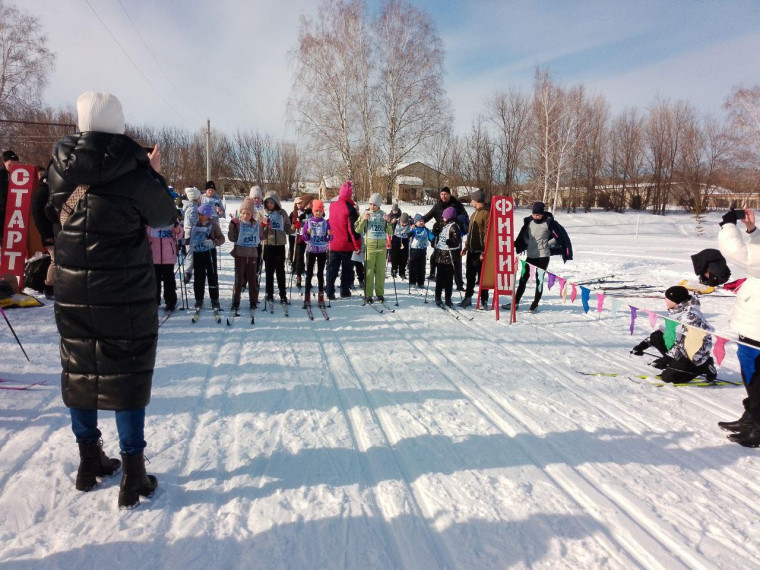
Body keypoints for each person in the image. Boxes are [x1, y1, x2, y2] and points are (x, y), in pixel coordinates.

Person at [47, 91, 177, 509]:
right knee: (128, 375)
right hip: (125, 293)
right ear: (118, 124)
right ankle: (133, 475)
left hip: (72, 288)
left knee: (79, 369)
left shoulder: (58, 168)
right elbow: (164, 216)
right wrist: (154, 174)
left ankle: (89, 463)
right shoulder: (135, 171)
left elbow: (42, 213)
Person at [716, 208, 760, 446]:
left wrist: (728, 224)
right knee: (751, 373)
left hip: (757, 326)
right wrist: (752, 231)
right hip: (753, 322)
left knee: (756, 376)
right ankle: (752, 416)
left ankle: (758, 424)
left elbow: (740, 255)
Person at [630, 286, 717, 383]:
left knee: (668, 378)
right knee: (657, 337)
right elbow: (664, 332)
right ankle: (676, 364)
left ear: (675, 301)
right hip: (682, 349)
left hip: (695, 354)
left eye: (667, 298)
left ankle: (704, 366)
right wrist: (642, 346)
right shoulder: (676, 311)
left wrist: (666, 359)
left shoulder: (690, 317)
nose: (665, 300)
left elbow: (686, 344)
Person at [509, 201, 573, 313]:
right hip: (531, 255)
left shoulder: (549, 223)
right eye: (534, 214)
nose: (536, 217)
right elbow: (524, 236)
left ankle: (535, 304)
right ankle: (516, 302)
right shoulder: (529, 222)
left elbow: (559, 237)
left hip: (543, 256)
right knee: (523, 279)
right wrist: (519, 244)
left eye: (538, 215)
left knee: (539, 280)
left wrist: (547, 244)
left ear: (542, 213)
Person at [422, 186, 467, 288]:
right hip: (441, 235)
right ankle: (433, 275)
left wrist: (454, 220)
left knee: (456, 260)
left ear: (449, 194)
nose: (444, 196)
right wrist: (416, 221)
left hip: (453, 235)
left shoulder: (456, 205)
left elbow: (464, 216)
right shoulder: (438, 206)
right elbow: (428, 216)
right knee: (436, 257)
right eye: (442, 194)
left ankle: (459, 282)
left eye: (445, 194)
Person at [326, 180, 362, 300]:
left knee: (332, 269)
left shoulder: (332, 206)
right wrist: (357, 245)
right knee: (347, 269)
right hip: (346, 245)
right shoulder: (350, 209)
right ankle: (344, 290)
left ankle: (330, 291)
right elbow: (352, 229)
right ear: (350, 195)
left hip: (334, 243)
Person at [355, 193, 392, 303]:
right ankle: (368, 294)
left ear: (379, 205)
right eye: (371, 204)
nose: (372, 206)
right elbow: (357, 229)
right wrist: (363, 220)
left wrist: (388, 222)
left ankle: (380, 293)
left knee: (380, 272)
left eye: (375, 204)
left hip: (381, 247)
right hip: (369, 247)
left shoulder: (384, 214)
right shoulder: (365, 214)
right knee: (369, 271)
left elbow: (390, 232)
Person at [228, 197, 263, 310]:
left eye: (248, 213)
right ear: (240, 213)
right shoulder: (238, 224)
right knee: (239, 279)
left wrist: (266, 227)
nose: (245, 216)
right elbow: (232, 238)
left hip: (252, 254)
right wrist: (231, 228)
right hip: (240, 254)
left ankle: (253, 300)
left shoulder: (255, 224)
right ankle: (236, 300)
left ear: (251, 214)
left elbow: (262, 236)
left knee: (252, 279)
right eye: (243, 213)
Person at [190, 203, 225, 309]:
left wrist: (214, 242)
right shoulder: (196, 225)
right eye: (199, 214)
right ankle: (199, 299)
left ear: (208, 215)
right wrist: (186, 241)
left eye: (202, 215)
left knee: (212, 275)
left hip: (209, 253)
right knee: (199, 276)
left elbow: (222, 238)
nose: (200, 216)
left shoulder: (214, 225)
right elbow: (191, 238)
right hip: (198, 253)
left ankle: (214, 299)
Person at [460, 189, 490, 309]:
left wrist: (485, 251)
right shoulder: (474, 214)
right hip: (471, 250)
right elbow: (470, 233)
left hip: (481, 252)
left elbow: (487, 233)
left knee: (482, 277)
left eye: (472, 200)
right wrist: (466, 247)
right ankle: (468, 298)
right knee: (469, 275)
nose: (471, 202)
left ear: (476, 200)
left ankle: (484, 300)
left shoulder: (486, 213)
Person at [261, 190, 292, 304]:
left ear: (276, 203)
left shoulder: (282, 213)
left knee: (280, 270)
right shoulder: (263, 212)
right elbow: (258, 230)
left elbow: (288, 228)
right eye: (267, 202)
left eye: (272, 202)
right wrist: (263, 225)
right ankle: (269, 293)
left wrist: (294, 227)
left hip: (280, 244)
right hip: (268, 244)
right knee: (269, 270)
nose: (269, 204)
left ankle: (282, 294)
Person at [147, 219, 183, 312]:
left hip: (168, 256)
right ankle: (155, 301)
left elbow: (179, 235)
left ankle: (170, 302)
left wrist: (176, 227)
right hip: (154, 256)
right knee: (155, 280)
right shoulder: (151, 218)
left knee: (169, 280)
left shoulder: (171, 218)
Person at [301, 199, 331, 307]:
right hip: (311, 250)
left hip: (322, 250)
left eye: (320, 210)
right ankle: (307, 296)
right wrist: (307, 234)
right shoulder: (309, 222)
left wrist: (329, 235)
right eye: (316, 211)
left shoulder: (325, 223)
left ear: (322, 211)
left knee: (320, 274)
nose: (318, 213)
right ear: (313, 211)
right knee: (309, 273)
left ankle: (321, 296)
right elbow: (304, 237)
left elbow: (330, 239)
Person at [33, 165, 56, 299]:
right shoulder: (42, 191)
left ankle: (53, 287)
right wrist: (46, 235)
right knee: (55, 260)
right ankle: (50, 288)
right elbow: (37, 214)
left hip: (53, 232)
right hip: (49, 234)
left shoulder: (48, 190)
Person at [432, 206, 462, 307]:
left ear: (449, 217)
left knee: (448, 280)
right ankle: (438, 296)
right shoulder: (444, 226)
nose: (443, 218)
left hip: (449, 258)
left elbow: (457, 241)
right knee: (439, 278)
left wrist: (451, 242)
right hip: (440, 256)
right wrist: (434, 239)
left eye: (444, 216)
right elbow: (439, 239)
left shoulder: (454, 226)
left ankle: (448, 298)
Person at [182, 187, 202, 284]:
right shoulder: (193, 207)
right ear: (196, 198)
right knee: (191, 253)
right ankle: (188, 273)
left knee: (193, 253)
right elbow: (192, 221)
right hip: (191, 232)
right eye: (199, 197)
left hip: (192, 231)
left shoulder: (193, 206)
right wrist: (200, 224)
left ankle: (192, 271)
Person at [408, 214, 434, 288]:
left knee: (422, 267)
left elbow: (430, 236)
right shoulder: (414, 230)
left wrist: (433, 239)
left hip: (422, 250)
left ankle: (421, 282)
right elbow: (409, 233)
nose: (421, 223)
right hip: (414, 250)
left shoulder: (426, 230)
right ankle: (412, 281)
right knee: (413, 266)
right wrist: (409, 234)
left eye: (422, 221)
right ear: (415, 222)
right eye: (419, 221)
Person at [290, 196, 310, 288]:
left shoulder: (310, 212)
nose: (301, 205)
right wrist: (297, 222)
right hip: (299, 237)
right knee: (299, 256)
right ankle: (298, 275)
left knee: (309, 257)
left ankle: (307, 276)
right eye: (299, 203)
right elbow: (293, 223)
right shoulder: (295, 213)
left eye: (302, 203)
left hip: (309, 237)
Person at [1, 149, 19, 244]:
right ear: (4, 163)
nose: (13, 167)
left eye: (15, 164)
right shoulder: (2, 175)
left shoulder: (18, 174)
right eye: (10, 165)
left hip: (13, 211)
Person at [390, 212, 411, 279]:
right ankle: (394, 269)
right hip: (396, 240)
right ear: (400, 221)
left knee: (404, 257)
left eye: (406, 223)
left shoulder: (410, 224)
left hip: (405, 241)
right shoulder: (396, 222)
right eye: (403, 222)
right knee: (395, 256)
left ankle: (402, 272)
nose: (404, 224)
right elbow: (388, 225)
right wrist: (392, 222)